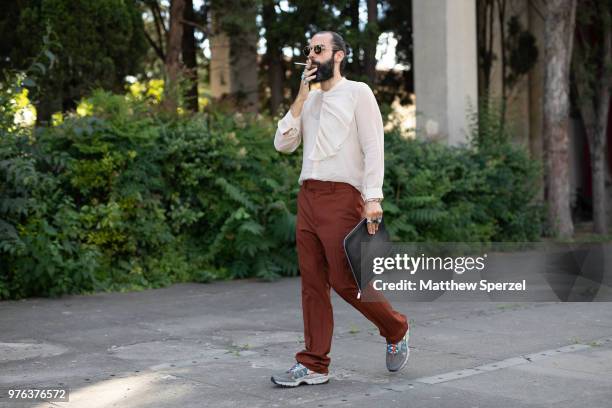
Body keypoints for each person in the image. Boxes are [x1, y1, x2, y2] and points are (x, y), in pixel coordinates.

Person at [270, 31, 410, 388]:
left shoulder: (358, 92)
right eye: (308, 50)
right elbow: (282, 144)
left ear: (339, 55)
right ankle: (314, 364)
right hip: (308, 196)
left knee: (346, 282)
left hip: (343, 196)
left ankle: (395, 326)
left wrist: (373, 197)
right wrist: (301, 97)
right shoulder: (310, 102)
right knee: (312, 284)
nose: (311, 55)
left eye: (318, 49)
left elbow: (373, 146)